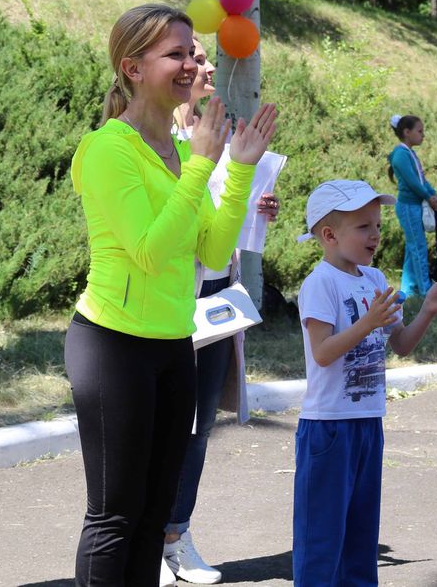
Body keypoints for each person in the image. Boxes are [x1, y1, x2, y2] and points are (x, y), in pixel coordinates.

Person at [66, 3, 278, 587]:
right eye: (174, 54)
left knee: (156, 514)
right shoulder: (109, 149)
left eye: (192, 52)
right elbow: (149, 252)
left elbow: (210, 254)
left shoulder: (184, 154)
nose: (190, 64)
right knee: (115, 516)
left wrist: (234, 171)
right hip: (113, 346)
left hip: (172, 344)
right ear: (133, 68)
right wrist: (200, 168)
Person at [293, 179, 437, 586]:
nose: (376, 234)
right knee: (321, 538)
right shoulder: (320, 283)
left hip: (368, 421)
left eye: (376, 224)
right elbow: (322, 352)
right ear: (329, 234)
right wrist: (366, 323)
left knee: (361, 537)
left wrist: (427, 309)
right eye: (363, 227)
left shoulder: (374, 279)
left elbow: (403, 344)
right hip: (329, 427)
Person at [162, 37, 279, 586]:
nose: (205, 67)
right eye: (195, 58)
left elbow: (230, 232)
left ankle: (176, 535)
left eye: (207, 59)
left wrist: (257, 209)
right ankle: (148, 540)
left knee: (199, 424)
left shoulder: (229, 135)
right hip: (163, 299)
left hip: (215, 300)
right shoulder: (155, 137)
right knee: (160, 423)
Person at [387, 114, 437, 297]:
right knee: (418, 247)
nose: (422, 135)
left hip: (415, 206)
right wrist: (428, 196)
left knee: (412, 248)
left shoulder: (410, 153)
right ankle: (426, 289)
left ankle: (408, 289)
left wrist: (433, 194)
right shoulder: (401, 154)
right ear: (406, 132)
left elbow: (421, 179)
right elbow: (412, 183)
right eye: (419, 131)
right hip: (408, 207)